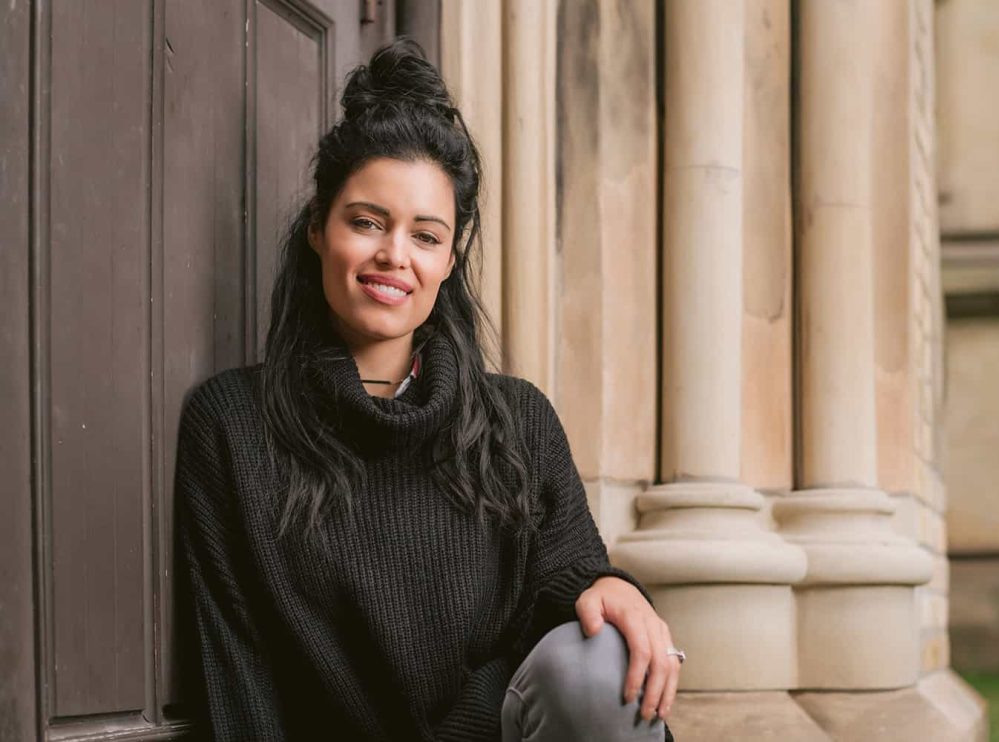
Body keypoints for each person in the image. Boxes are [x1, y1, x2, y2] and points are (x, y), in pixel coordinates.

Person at [173, 37, 682, 741]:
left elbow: (568, 575)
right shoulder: (231, 425)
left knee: (599, 661)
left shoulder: (517, 420)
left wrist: (613, 587)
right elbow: (239, 670)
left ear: (448, 259)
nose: (394, 256)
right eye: (367, 222)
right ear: (319, 227)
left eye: (425, 235)